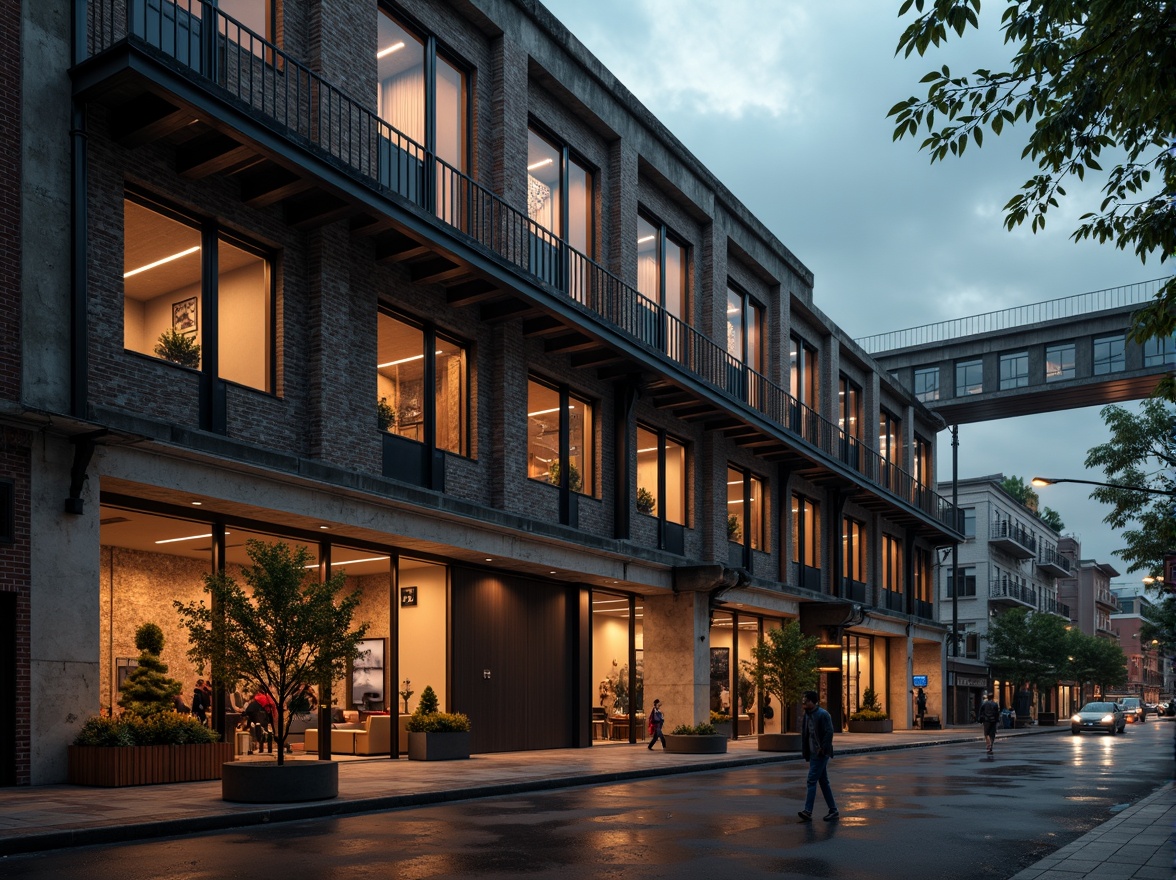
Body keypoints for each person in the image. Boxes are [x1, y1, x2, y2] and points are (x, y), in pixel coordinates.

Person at [798, 690, 838, 822]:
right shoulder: (807, 715)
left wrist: (823, 749)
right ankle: (833, 810)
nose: (804, 702)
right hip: (813, 752)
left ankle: (808, 811)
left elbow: (829, 732)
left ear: (813, 701)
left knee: (811, 780)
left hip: (820, 753)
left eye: (807, 700)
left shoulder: (823, 714)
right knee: (823, 782)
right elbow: (806, 734)